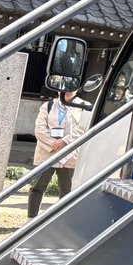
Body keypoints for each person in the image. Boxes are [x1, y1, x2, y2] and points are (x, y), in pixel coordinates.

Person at [29, 89, 87, 218]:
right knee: (38, 187)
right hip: (47, 152)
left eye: (71, 88)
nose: (67, 91)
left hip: (70, 154)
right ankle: (31, 218)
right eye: (64, 88)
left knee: (67, 189)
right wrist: (53, 143)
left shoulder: (84, 106)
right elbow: (39, 129)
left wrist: (65, 142)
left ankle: (62, 219)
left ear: (77, 89)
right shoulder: (48, 105)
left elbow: (83, 129)